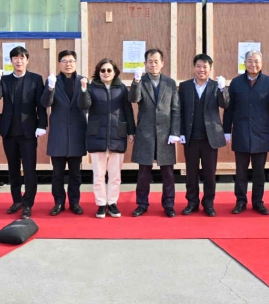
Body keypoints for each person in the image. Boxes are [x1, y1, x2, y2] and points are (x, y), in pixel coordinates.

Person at [223, 50, 269, 215]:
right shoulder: (236, 83)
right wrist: (226, 130)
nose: (253, 64)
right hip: (241, 132)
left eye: (256, 61)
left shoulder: (268, 82)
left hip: (260, 133)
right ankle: (240, 202)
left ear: (261, 63)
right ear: (244, 63)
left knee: (259, 172)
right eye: (249, 61)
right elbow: (229, 108)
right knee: (241, 172)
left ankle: (258, 202)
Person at [0, 46, 47, 219]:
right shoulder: (5, 79)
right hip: (9, 131)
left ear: (27, 60)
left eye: (22, 58)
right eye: (15, 58)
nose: (19, 61)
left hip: (28, 131)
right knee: (13, 168)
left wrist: (42, 124)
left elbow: (41, 105)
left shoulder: (35, 79)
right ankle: (16, 200)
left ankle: (28, 203)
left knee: (29, 169)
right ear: (11, 61)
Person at [79, 58, 136, 218]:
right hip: (97, 135)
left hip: (117, 134)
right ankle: (101, 204)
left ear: (115, 72)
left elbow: (128, 110)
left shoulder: (121, 88)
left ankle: (112, 203)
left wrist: (131, 131)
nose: (106, 73)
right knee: (98, 175)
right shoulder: (92, 87)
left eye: (109, 70)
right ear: (98, 72)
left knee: (115, 175)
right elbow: (84, 105)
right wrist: (83, 90)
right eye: (102, 70)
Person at [129, 48, 181, 218]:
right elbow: (134, 99)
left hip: (166, 133)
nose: (153, 65)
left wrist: (175, 132)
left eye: (156, 61)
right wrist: (136, 81)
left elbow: (175, 109)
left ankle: (169, 204)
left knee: (168, 173)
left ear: (162, 63)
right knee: (144, 172)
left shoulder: (170, 83)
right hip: (146, 133)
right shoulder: (141, 81)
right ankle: (142, 204)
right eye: (150, 62)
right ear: (145, 64)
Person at [178, 54, 229, 217]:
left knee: (209, 173)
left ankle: (208, 203)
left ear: (210, 68)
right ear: (194, 68)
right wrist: (180, 132)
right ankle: (192, 203)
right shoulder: (185, 86)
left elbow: (225, 104)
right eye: (199, 66)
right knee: (191, 173)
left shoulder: (216, 85)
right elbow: (179, 111)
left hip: (210, 137)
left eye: (205, 67)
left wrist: (223, 89)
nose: (201, 69)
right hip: (191, 137)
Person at [42, 50, 87, 216]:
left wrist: (84, 90)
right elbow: (46, 103)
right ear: (59, 63)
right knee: (57, 173)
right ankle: (58, 203)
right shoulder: (53, 80)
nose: (68, 64)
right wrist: (50, 87)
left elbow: (86, 105)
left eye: (71, 61)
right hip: (59, 134)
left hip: (77, 133)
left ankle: (75, 202)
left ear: (76, 63)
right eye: (65, 61)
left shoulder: (83, 81)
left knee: (76, 173)